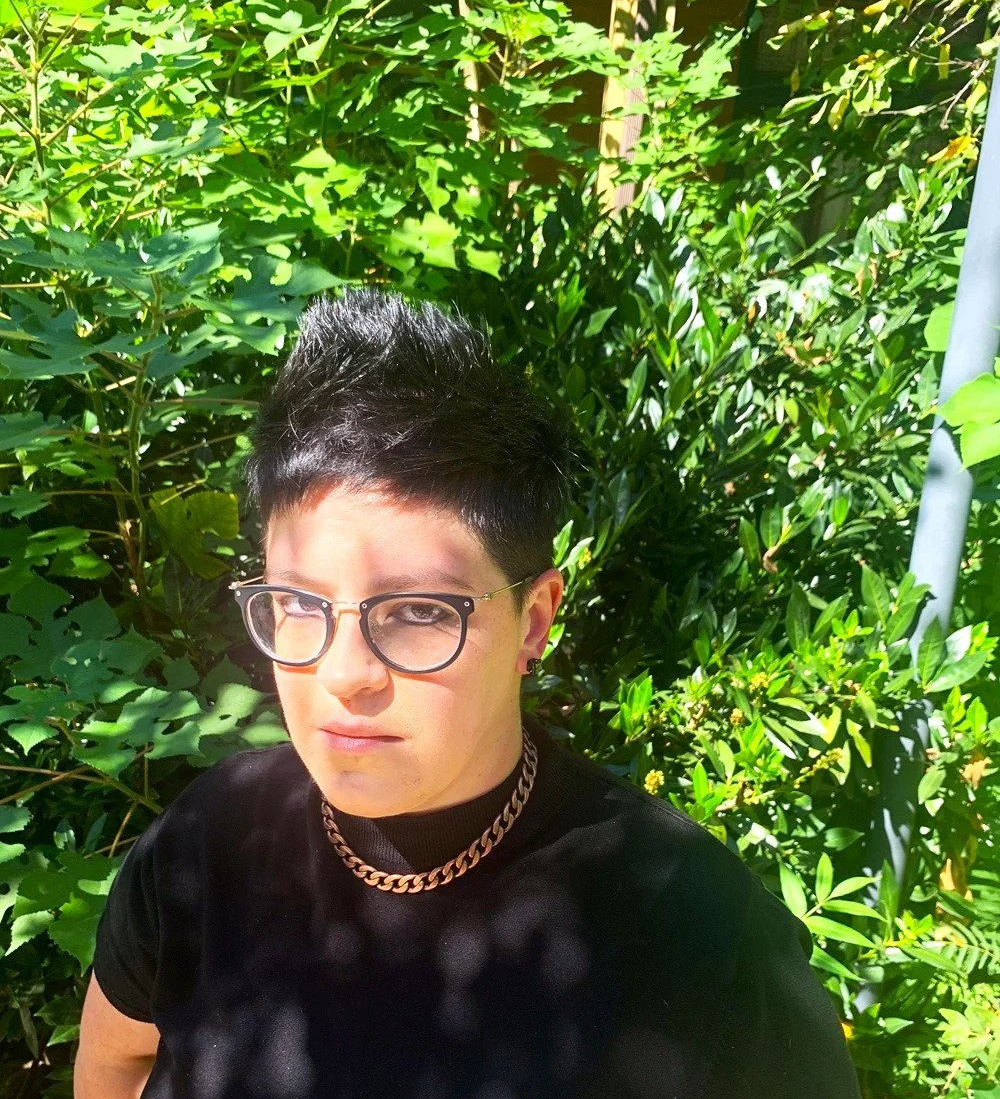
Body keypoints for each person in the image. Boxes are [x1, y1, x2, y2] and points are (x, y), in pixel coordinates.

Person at [76, 287, 861, 1098]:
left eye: (419, 612)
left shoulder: (695, 935)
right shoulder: (211, 840)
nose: (343, 673)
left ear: (533, 621)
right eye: (300, 604)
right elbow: (119, 1061)